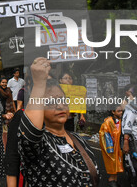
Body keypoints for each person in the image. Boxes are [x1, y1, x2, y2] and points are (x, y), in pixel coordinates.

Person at [19, 57, 99, 186]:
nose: (60, 106)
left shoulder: (79, 140)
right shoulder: (39, 144)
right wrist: (39, 83)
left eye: (62, 100)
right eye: (50, 102)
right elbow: (30, 132)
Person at [99, 104, 124, 187]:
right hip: (112, 146)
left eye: (121, 110)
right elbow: (104, 134)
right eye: (118, 111)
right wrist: (110, 146)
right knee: (112, 162)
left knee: (117, 162)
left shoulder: (121, 121)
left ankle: (115, 180)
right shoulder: (108, 122)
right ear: (113, 112)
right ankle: (111, 180)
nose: (121, 112)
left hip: (118, 146)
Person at [0, 76, 14, 148]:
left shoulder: (8, 90)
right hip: (0, 111)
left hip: (8, 110)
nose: (4, 84)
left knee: (7, 130)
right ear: (0, 83)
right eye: (3, 82)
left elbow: (12, 101)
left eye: (5, 83)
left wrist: (15, 110)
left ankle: (6, 145)